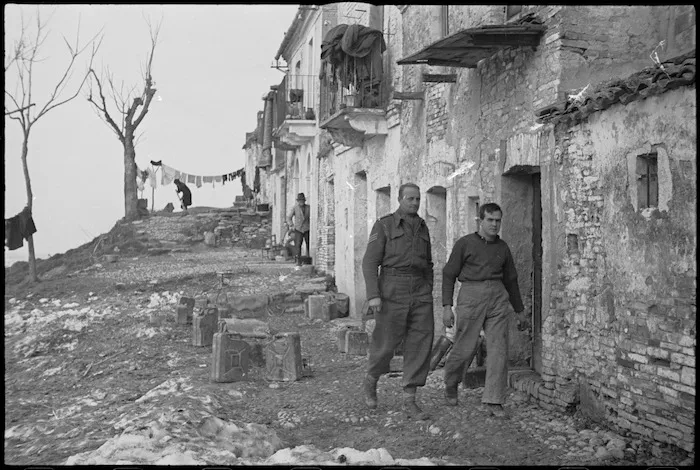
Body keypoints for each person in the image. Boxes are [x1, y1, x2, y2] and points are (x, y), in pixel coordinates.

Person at [441, 202, 525, 418]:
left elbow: (511, 280)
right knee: (465, 346)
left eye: (498, 221)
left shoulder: (502, 248)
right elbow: (449, 274)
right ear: (480, 220)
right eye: (490, 220)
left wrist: (519, 310)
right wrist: (446, 307)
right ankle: (451, 382)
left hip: (497, 297)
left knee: (498, 349)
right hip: (471, 295)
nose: (494, 225)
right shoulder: (465, 244)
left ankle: (494, 400)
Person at [361, 183, 434, 420]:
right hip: (392, 287)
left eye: (417, 199)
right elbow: (370, 262)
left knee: (420, 342)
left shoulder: (423, 227)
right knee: (385, 343)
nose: (414, 203)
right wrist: (373, 295)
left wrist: (429, 288)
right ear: (400, 199)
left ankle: (410, 399)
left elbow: (429, 263)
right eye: (410, 199)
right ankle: (371, 380)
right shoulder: (384, 225)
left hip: (420, 289)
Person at [286, 193, 310, 266]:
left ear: (304, 200)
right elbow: (288, 218)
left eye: (302, 200)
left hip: (307, 228)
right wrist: (292, 225)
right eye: (300, 200)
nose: (301, 202)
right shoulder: (295, 208)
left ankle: (308, 259)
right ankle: (298, 261)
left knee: (308, 243)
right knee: (298, 245)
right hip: (298, 229)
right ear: (298, 201)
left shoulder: (308, 208)